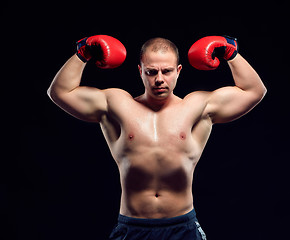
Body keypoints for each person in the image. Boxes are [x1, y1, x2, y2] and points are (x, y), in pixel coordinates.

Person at [47, 35, 267, 240]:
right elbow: (60, 92)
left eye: (167, 71)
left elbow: (254, 91)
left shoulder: (197, 106)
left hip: (183, 226)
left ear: (179, 71)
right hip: (132, 226)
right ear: (140, 71)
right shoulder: (117, 104)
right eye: (151, 72)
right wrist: (82, 53)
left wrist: (231, 52)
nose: (159, 79)